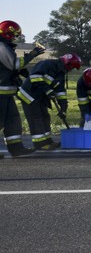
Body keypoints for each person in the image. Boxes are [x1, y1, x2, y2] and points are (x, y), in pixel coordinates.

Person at [17, 53, 82, 150]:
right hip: (29, 94)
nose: (71, 70)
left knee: (45, 117)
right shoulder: (47, 64)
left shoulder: (61, 73)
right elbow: (35, 77)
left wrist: (63, 109)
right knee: (36, 118)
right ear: (67, 64)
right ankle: (40, 144)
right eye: (71, 67)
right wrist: (48, 90)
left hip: (40, 96)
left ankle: (47, 141)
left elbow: (61, 93)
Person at [0, 20, 45, 157]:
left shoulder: (4, 45)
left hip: (7, 93)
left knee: (13, 120)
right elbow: (14, 64)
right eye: (14, 36)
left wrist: (19, 72)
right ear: (8, 33)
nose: (15, 38)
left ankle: (16, 148)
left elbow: (7, 67)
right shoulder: (1, 46)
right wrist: (32, 55)